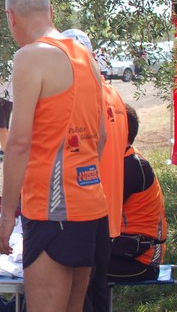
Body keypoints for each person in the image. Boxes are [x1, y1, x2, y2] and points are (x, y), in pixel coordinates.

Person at [0, 0, 108, 312]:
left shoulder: (30, 56)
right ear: (51, 12)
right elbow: (100, 137)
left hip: (52, 208)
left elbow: (17, 144)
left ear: (10, 18)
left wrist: (5, 216)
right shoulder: (85, 55)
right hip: (90, 203)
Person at [62, 28, 128, 312]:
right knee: (98, 289)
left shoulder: (84, 97)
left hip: (86, 210)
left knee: (81, 292)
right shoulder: (114, 94)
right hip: (108, 211)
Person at [107, 104, 167, 282]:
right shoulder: (124, 159)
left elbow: (98, 211)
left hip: (141, 262)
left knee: (73, 269)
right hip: (126, 251)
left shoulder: (132, 165)